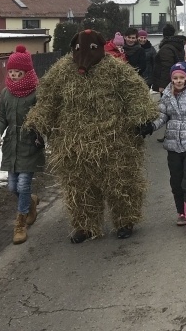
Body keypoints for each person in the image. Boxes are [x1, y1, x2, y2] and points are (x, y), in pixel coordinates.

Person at [25, 29, 158, 243]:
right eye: (79, 49)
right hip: (73, 144)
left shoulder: (115, 69)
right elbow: (48, 100)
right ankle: (85, 226)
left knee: (120, 184)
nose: (84, 55)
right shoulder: (62, 71)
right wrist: (38, 126)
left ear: (101, 49)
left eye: (92, 49)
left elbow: (135, 93)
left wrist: (142, 119)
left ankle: (125, 220)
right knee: (80, 188)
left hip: (114, 140)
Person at [139, 62, 186, 232]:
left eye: (182, 77)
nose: (178, 81)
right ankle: (182, 212)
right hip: (174, 146)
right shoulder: (166, 95)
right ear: (171, 79)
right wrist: (150, 127)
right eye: (175, 78)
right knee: (176, 181)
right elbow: (162, 116)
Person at [0, 45, 45, 245]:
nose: (14, 75)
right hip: (11, 145)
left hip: (30, 143)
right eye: (11, 72)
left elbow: (44, 115)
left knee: (23, 184)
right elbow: (1, 116)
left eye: (18, 72)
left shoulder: (37, 92)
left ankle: (20, 224)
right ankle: (30, 202)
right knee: (12, 187)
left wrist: (41, 125)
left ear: (27, 72)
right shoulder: (6, 93)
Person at [152, 24, 186, 93]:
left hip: (169, 83)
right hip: (177, 79)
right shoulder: (178, 45)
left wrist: (162, 85)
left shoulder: (166, 48)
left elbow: (166, 67)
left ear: (163, 34)